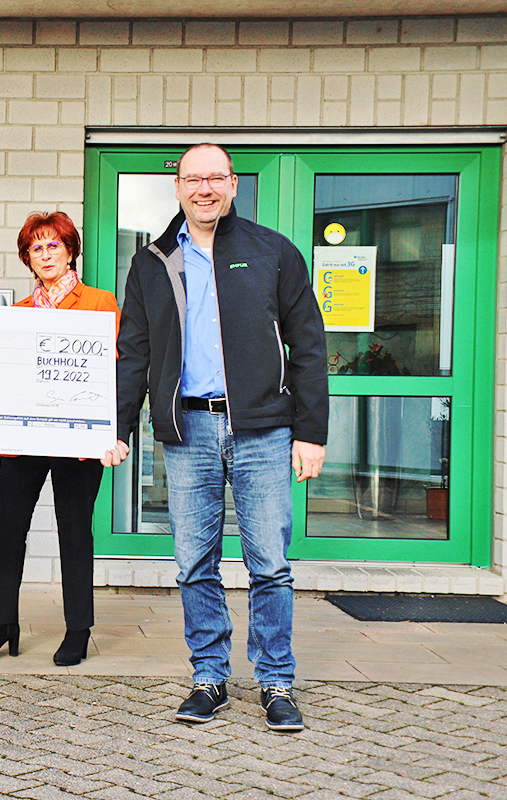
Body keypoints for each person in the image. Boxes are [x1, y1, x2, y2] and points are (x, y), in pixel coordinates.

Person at [103, 144, 328, 732]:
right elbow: (135, 351)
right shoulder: (153, 261)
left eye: (215, 178)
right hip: (188, 429)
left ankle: (276, 681)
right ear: (176, 187)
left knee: (270, 563)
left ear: (232, 184)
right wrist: (119, 426)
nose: (204, 189)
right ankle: (209, 676)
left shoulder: (272, 251)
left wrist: (311, 433)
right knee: (192, 562)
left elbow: (308, 346)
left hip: (262, 429)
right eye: (192, 179)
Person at [0, 211, 119, 667]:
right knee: (8, 530)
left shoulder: (99, 302)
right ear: (27, 259)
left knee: (74, 531)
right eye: (37, 248)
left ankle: (78, 629)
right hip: (23, 440)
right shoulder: (15, 314)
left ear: (70, 250)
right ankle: (3, 624)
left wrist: (111, 432)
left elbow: (111, 372)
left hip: (77, 441)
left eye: (54, 245)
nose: (46, 253)